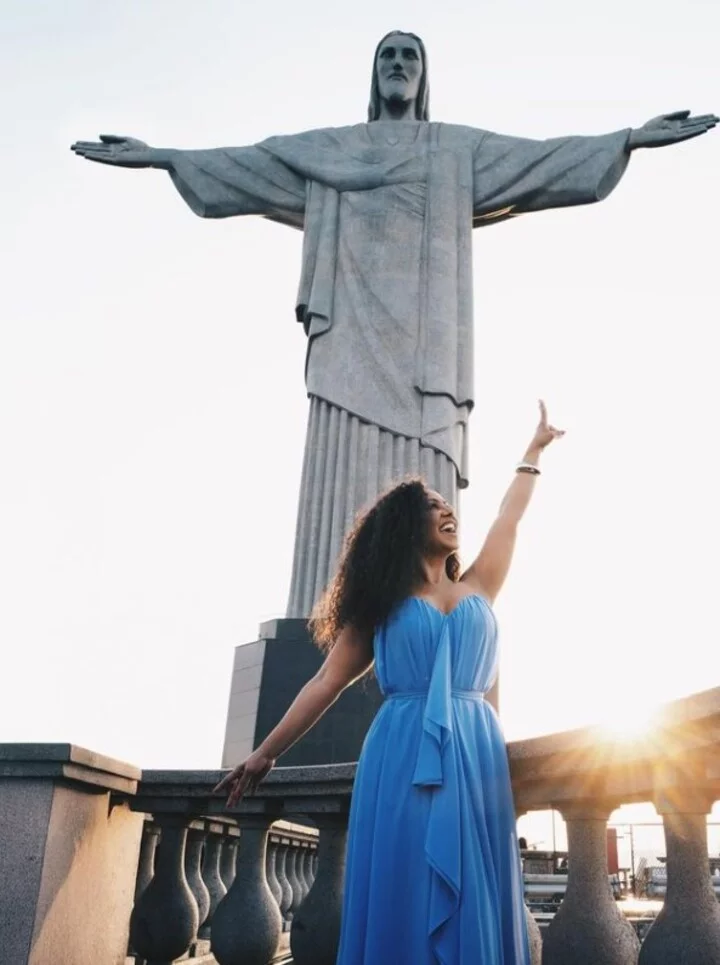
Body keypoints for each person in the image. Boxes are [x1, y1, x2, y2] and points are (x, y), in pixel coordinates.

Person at [70, 33, 717, 619]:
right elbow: (251, 164)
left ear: (424, 77)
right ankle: (325, 609)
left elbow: (540, 162)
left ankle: (418, 604)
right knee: (340, 466)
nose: (399, 66)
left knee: (426, 477)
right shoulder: (332, 148)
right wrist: (160, 156)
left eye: (411, 57)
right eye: (388, 56)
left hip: (428, 352)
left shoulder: (454, 149)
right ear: (373, 74)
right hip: (348, 335)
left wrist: (627, 139)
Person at [214, 400, 564, 964]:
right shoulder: (380, 605)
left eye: (449, 504)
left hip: (476, 751)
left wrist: (533, 451)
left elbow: (509, 517)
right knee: (408, 882)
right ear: (404, 526)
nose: (448, 510)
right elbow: (325, 682)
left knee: (475, 882)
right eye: (433, 505)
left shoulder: (480, 586)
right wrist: (264, 755)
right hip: (401, 754)